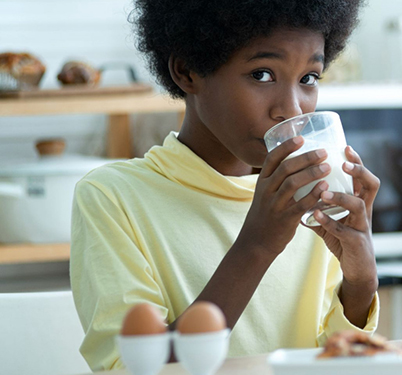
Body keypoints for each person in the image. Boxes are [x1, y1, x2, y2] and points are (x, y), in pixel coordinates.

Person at [70, 0, 379, 371]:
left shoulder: (309, 197)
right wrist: (258, 245)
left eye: (308, 79)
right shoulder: (112, 198)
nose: (293, 109)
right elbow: (132, 368)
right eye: (262, 74)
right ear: (188, 71)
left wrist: (360, 284)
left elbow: (335, 363)